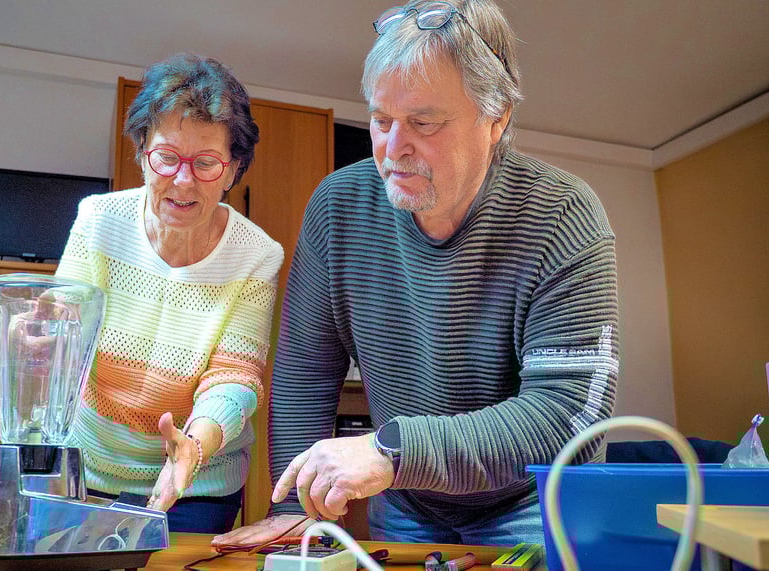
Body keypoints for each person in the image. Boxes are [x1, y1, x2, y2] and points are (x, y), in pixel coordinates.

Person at [213, 0, 618, 548]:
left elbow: (569, 415)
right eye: (381, 121)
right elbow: (305, 374)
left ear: (495, 120)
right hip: (409, 503)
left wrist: (393, 451)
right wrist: (292, 506)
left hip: (532, 499)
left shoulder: (563, 214)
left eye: (424, 123)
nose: (392, 149)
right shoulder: (338, 207)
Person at [54, 52, 284, 534]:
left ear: (233, 169)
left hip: (197, 485)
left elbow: (234, 376)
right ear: (141, 151)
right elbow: (61, 334)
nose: (183, 180)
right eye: (167, 157)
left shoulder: (256, 256)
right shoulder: (98, 221)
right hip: (86, 468)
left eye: (205, 163)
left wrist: (191, 449)